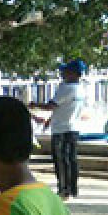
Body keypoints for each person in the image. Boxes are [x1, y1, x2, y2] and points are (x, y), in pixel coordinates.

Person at [30, 60, 87, 200]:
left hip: (61, 129)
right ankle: (73, 189)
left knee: (61, 160)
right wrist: (49, 120)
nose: (62, 73)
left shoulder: (66, 88)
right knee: (72, 159)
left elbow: (51, 106)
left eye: (65, 71)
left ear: (73, 73)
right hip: (73, 128)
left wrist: (34, 105)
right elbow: (64, 108)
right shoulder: (81, 89)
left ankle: (63, 190)